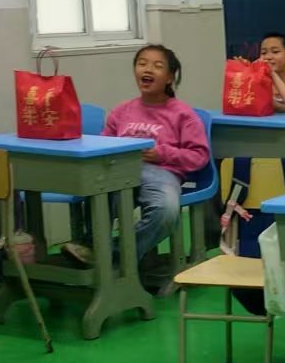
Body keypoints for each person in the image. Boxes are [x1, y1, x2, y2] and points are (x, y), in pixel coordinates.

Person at [66, 44, 209, 273]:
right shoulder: (121, 111)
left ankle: (111, 254)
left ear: (170, 77)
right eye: (142, 64)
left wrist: (162, 153)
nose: (148, 69)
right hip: (120, 169)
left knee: (166, 210)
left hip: (162, 173)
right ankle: (93, 243)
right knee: (98, 188)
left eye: (157, 66)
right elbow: (104, 145)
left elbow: (199, 156)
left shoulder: (183, 114)